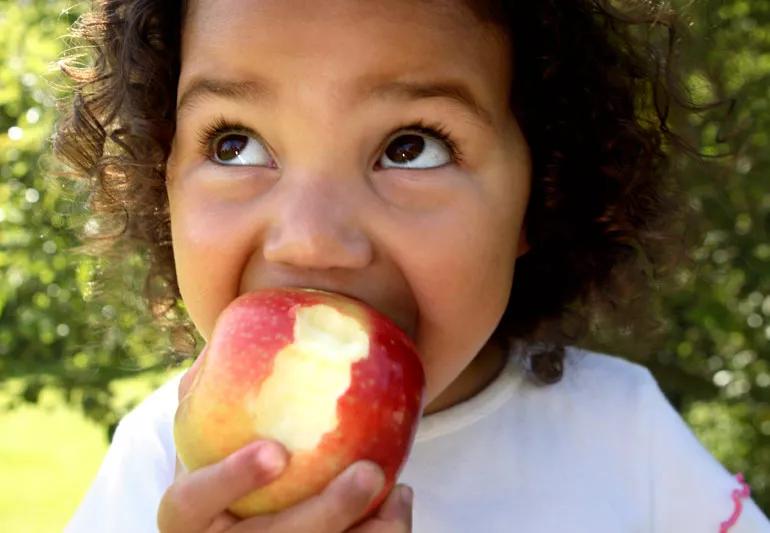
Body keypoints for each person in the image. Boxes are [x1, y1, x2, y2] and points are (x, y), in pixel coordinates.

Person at [55, 0, 770, 531]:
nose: (311, 240)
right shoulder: (162, 470)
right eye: (234, 143)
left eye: (410, 147)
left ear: (540, 189)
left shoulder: (625, 439)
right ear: (163, 174)